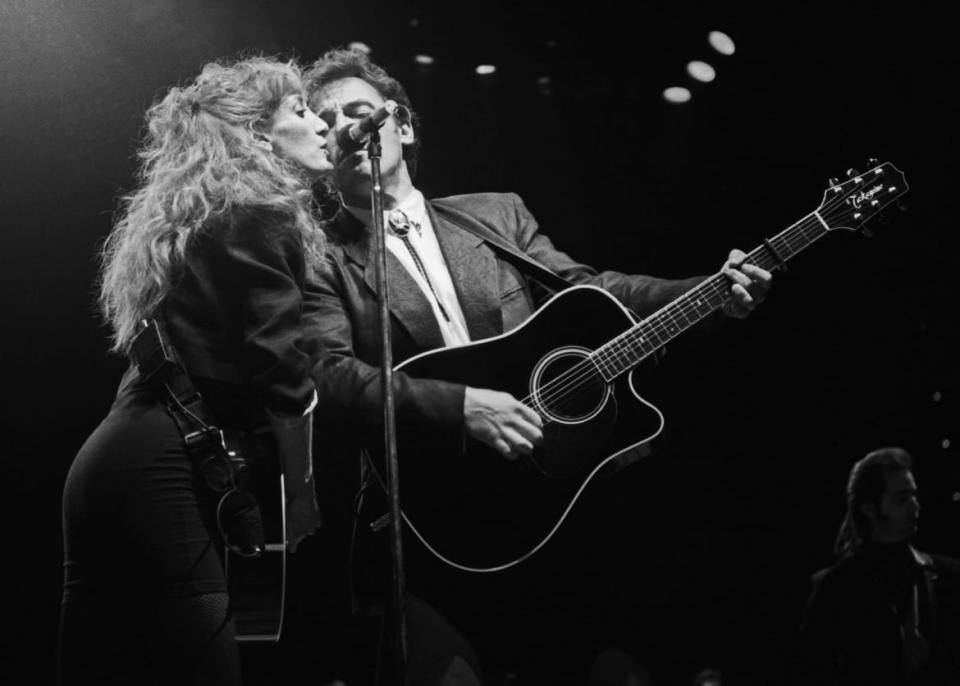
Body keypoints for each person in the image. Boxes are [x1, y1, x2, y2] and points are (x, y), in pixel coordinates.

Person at [299, 47, 772, 685]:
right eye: (328, 124)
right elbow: (327, 375)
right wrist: (460, 406)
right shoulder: (319, 258)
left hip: (550, 503)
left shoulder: (495, 215)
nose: (348, 131)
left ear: (402, 125)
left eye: (361, 112)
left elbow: (595, 294)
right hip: (433, 527)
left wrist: (707, 292)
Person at [58, 56, 333, 685]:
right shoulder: (259, 214)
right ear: (259, 134)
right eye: (302, 110)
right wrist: (304, 496)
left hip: (111, 464)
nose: (322, 126)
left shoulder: (211, 213)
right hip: (159, 469)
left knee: (104, 661)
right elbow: (282, 374)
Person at [791, 447, 960, 685]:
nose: (915, 506)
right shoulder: (837, 588)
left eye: (914, 495)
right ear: (869, 508)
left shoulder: (947, 576)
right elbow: (809, 672)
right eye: (902, 498)